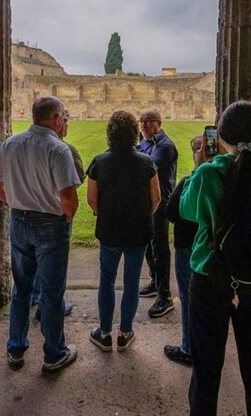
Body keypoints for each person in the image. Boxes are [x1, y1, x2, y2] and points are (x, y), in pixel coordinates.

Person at [180, 100, 251, 416]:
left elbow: (186, 210)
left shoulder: (209, 172)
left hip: (211, 275)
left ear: (220, 137)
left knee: (206, 370)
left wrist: (198, 167)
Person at [0, 96, 81, 374]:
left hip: (19, 221)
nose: (64, 121)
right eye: (63, 116)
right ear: (54, 119)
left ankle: (15, 348)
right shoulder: (58, 149)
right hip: (50, 224)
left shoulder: (11, 143)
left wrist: (14, 203)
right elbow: (68, 197)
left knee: (22, 289)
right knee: (52, 293)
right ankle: (54, 353)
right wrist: (66, 216)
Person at [86, 111, 161, 352]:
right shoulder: (146, 162)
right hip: (138, 230)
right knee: (131, 282)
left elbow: (91, 200)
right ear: (133, 133)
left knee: (106, 281)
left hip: (109, 230)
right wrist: (141, 212)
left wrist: (103, 213)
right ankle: (125, 332)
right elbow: (156, 198)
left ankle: (105, 333)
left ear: (110, 133)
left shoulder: (99, 161)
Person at [33, 109, 83, 321]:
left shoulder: (20, 144)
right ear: (57, 123)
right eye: (65, 121)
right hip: (55, 214)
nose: (67, 125)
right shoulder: (65, 149)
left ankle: (34, 295)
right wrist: (69, 213)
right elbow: (76, 179)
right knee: (54, 264)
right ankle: (50, 306)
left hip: (27, 214)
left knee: (31, 259)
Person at [162, 136, 202, 367]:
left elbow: (172, 213)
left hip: (188, 246)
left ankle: (188, 347)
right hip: (216, 248)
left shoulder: (190, 181)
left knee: (188, 296)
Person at [137, 108, 178, 318]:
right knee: (147, 245)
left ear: (158, 123)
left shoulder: (166, 146)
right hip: (146, 201)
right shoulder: (144, 142)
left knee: (160, 247)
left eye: (148, 121)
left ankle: (165, 296)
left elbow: (147, 167)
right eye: (141, 122)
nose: (143, 126)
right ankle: (155, 281)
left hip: (161, 202)